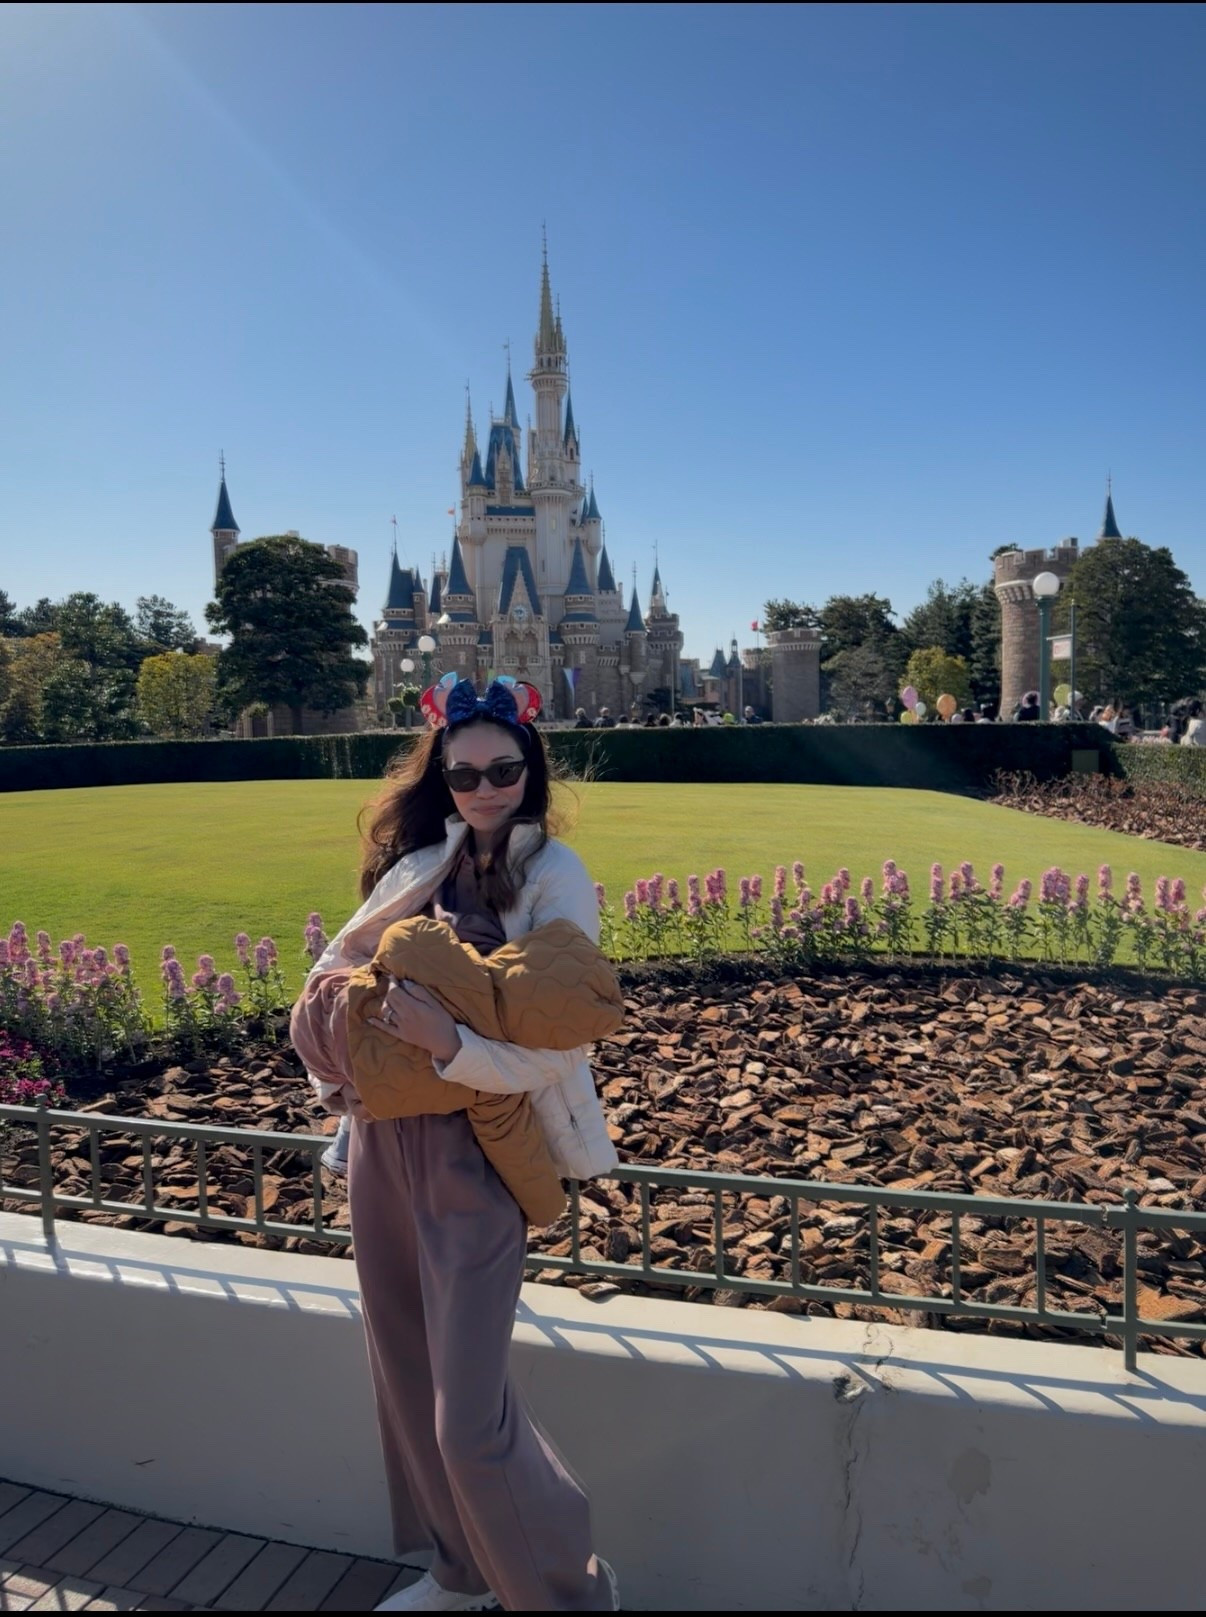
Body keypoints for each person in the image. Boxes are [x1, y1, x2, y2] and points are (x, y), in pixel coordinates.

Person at [291, 675, 619, 1614]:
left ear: (530, 767)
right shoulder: (414, 863)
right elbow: (330, 982)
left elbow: (561, 1042)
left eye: (502, 769)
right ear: (441, 774)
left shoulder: (555, 875)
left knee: (469, 1419)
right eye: (463, 771)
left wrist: (452, 1045)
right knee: (402, 1375)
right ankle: (460, 1571)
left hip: (479, 1149)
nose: (483, 788)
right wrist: (345, 1065)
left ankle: (570, 1593)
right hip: (381, 1146)